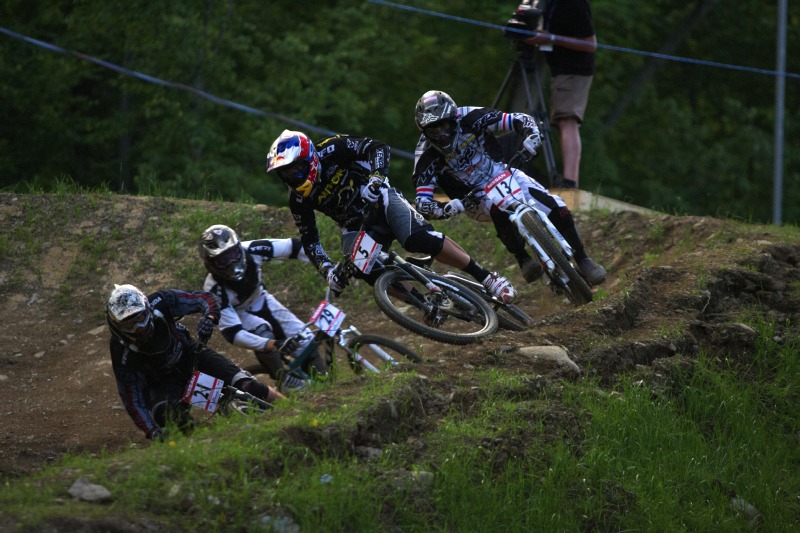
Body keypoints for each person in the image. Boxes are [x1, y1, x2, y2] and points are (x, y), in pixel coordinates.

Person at [264, 129, 517, 305]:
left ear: (309, 159)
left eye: (296, 170)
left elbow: (377, 148)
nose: (293, 177)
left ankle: (486, 277)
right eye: (286, 174)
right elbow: (310, 239)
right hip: (355, 225)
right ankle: (422, 303)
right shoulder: (298, 200)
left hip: (380, 200)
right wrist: (328, 272)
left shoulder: (331, 148)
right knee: (363, 270)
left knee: (417, 239)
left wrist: (376, 177)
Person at [412, 89, 606, 286]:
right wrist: (445, 208)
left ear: (454, 118)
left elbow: (516, 119)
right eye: (433, 130)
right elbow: (421, 202)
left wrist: (531, 135)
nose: (442, 135)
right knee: (497, 209)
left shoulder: (471, 116)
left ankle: (583, 259)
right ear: (424, 130)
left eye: (443, 125)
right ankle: (522, 257)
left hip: (501, 172)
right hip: (472, 197)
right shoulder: (425, 155)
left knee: (557, 207)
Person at [107, 284, 282, 441]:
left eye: (140, 318)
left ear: (148, 309)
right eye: (129, 324)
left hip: (192, 357)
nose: (139, 327)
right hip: (164, 384)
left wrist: (209, 318)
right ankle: (196, 447)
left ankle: (293, 406)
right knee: (167, 415)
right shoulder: (120, 352)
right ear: (116, 326)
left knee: (247, 386)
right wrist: (152, 431)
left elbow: (203, 299)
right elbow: (132, 398)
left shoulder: (161, 301)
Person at [198, 224, 328, 393]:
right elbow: (234, 334)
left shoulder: (251, 249)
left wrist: (327, 267)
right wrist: (274, 344)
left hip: (262, 299)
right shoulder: (213, 289)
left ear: (239, 247)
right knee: (262, 332)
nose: (231, 262)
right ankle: (283, 379)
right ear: (211, 264)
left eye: (233, 254)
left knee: (307, 341)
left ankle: (326, 385)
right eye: (223, 260)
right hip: (239, 314)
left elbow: (294, 247)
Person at [523, 0, 596, 189]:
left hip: (575, 70)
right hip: (557, 68)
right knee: (559, 120)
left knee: (567, 120)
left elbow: (590, 44)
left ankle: (570, 182)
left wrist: (551, 38)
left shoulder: (574, 4)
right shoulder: (546, 2)